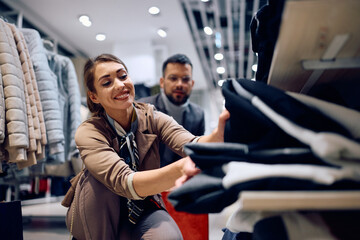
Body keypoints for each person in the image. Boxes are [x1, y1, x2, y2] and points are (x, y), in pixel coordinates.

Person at [64, 53, 229, 240]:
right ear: (94, 97)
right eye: (107, 83)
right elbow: (124, 181)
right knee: (99, 185)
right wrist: (181, 168)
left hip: (143, 205)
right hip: (101, 213)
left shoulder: (152, 117)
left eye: (123, 76)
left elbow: (190, 144)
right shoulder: (89, 132)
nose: (120, 84)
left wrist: (217, 137)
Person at [138, 53, 205, 167]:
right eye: (173, 78)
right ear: (162, 82)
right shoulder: (142, 108)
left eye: (185, 79)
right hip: (148, 177)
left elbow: (196, 154)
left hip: (182, 177)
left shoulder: (198, 114)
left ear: (192, 83)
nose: (179, 84)